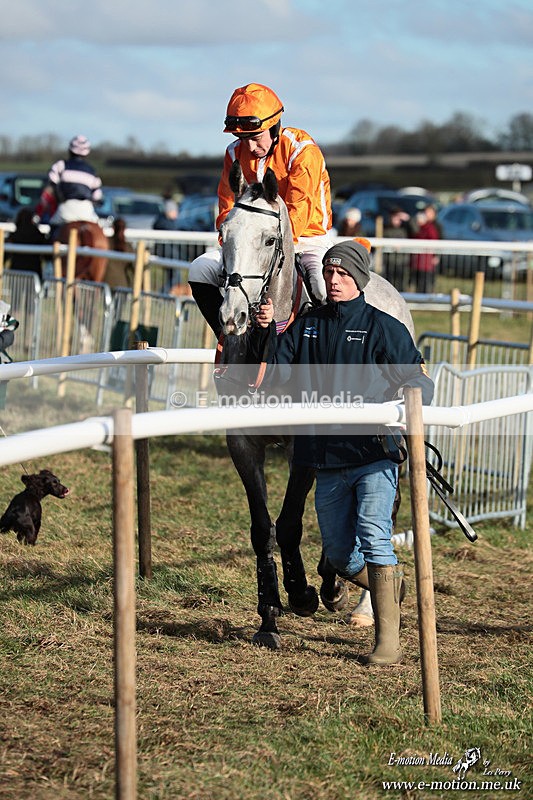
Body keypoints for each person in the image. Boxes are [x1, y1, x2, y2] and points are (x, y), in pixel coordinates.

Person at [250, 238, 434, 665]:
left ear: (360, 279)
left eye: (343, 274)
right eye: (329, 273)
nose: (333, 280)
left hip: (372, 456)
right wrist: (264, 332)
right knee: (338, 555)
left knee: (373, 536)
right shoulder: (308, 325)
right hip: (325, 459)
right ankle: (390, 585)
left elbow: (420, 379)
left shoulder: (385, 328)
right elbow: (277, 375)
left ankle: (387, 644)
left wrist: (408, 394)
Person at [188, 83, 334, 335]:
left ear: (274, 126)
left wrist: (276, 244)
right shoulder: (234, 154)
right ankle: (229, 339)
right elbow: (227, 206)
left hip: (308, 240)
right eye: (242, 139)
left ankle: (323, 347)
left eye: (255, 138)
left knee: (321, 288)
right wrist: (233, 242)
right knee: (200, 269)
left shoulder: (302, 150)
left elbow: (300, 209)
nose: (251, 147)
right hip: (251, 244)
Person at [33, 135, 103, 236]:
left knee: (52, 230)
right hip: (86, 210)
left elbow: (52, 181)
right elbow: (97, 196)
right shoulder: (92, 171)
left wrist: (60, 197)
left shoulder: (61, 165)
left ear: (70, 150)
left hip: (66, 208)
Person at [5, 208, 48, 278]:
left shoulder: (13, 236)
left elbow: (5, 256)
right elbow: (47, 256)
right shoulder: (38, 236)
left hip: (15, 276)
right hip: (34, 276)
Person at [410, 204, 440, 294]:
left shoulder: (433, 227)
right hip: (419, 261)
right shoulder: (420, 228)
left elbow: (435, 241)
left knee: (426, 283)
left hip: (427, 261)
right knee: (419, 282)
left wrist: (436, 255)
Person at [382, 206, 414, 292]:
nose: (396, 220)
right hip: (390, 261)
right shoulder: (386, 229)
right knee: (389, 284)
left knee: (401, 285)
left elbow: (415, 230)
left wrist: (408, 218)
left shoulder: (405, 229)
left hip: (402, 261)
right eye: (394, 217)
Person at [104, 218, 134, 289]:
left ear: (113, 228)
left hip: (105, 283)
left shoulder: (106, 242)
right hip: (122, 284)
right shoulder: (128, 246)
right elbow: (134, 266)